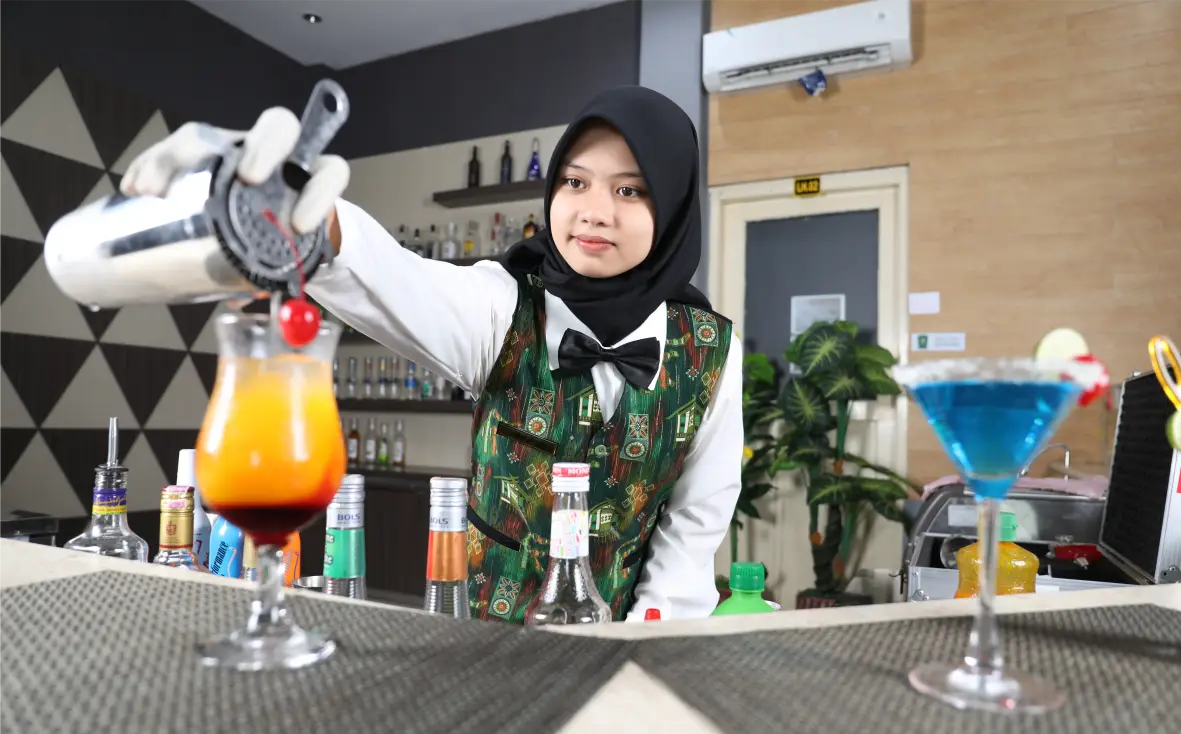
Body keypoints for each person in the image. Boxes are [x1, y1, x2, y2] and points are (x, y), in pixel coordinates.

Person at [121, 86, 743, 623]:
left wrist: (638, 643)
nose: (594, 212)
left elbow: (692, 531)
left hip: (630, 648)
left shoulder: (712, 352)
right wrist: (297, 209)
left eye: (630, 191)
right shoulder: (502, 307)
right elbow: (392, 278)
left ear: (673, 208)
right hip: (484, 647)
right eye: (575, 182)